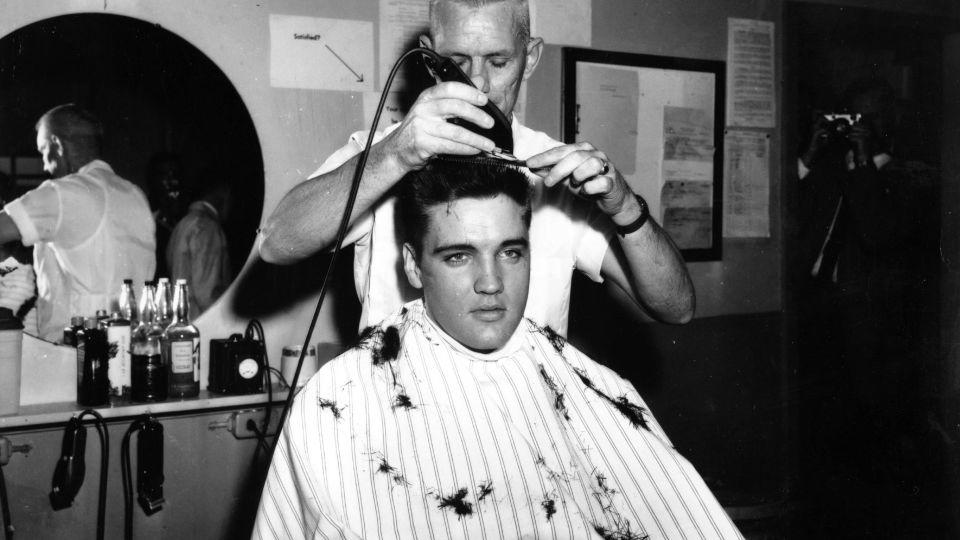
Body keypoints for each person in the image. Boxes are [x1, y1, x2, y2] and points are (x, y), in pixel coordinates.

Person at [253, 160, 741, 539]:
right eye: (459, 256)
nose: (491, 283)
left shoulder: (593, 385)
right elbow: (277, 241)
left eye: (511, 252)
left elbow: (677, 305)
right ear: (414, 266)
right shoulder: (339, 401)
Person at [257, 0, 694, 336]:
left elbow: (676, 308)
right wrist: (394, 156)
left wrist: (625, 208)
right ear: (429, 58)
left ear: (531, 57)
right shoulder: (381, 154)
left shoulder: (559, 171)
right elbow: (276, 244)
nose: (479, 85)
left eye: (498, 62)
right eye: (458, 63)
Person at [794, 78, 939, 536]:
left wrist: (863, 165)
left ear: (884, 126)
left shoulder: (910, 178)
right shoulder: (840, 168)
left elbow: (878, 231)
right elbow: (795, 210)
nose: (854, 127)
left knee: (867, 423)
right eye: (849, 118)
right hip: (822, 305)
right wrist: (809, 156)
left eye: (864, 121)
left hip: (874, 321)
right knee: (822, 418)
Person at [0, 104, 155, 341]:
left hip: (75, 351)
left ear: (58, 145)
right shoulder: (135, 194)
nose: (44, 165)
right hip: (133, 343)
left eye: (43, 151)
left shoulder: (63, 193)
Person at [166, 179, 232, 318]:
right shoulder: (207, 226)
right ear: (222, 195)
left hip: (183, 321)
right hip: (202, 326)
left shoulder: (183, 224)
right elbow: (207, 294)